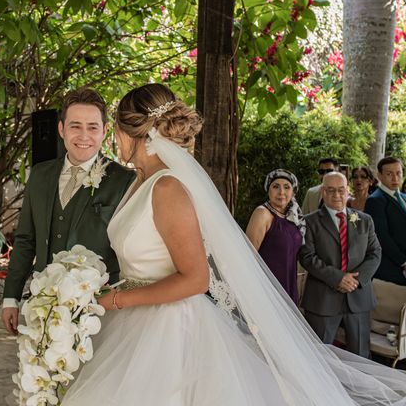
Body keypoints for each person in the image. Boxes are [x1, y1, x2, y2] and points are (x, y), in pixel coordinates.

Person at [61, 83, 406, 405]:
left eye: (115, 131)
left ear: (129, 132)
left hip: (168, 330)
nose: (113, 141)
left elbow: (196, 278)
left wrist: (117, 300)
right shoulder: (139, 181)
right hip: (134, 321)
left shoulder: (167, 187)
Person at [1, 88, 135, 335]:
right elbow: (25, 241)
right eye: (75, 126)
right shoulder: (40, 175)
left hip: (97, 310)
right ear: (61, 129)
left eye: (93, 127)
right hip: (43, 306)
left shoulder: (125, 180)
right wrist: (11, 298)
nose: (84, 135)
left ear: (105, 132)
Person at [298, 172, 381, 358]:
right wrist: (338, 278)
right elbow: (307, 257)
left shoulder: (364, 220)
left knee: (360, 357)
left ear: (348, 191)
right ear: (322, 192)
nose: (337, 195)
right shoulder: (308, 222)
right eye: (331, 190)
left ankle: (358, 389)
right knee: (319, 357)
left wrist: (356, 281)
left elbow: (375, 253)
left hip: (358, 298)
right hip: (322, 299)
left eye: (341, 190)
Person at [245, 169, 304, 304]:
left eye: (287, 187)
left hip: (288, 284)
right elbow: (249, 255)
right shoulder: (263, 214)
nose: (281, 192)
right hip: (267, 286)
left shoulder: (294, 218)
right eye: (276, 186)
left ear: (293, 192)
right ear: (268, 190)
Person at [365, 157, 406, 286]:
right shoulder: (375, 200)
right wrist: (403, 262)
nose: (395, 178)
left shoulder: (404, 197)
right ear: (379, 176)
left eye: (398, 173)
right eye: (389, 174)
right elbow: (382, 237)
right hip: (392, 269)